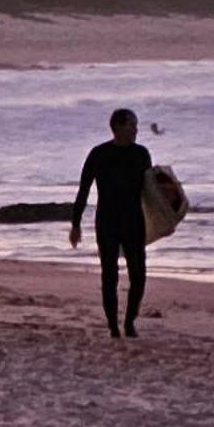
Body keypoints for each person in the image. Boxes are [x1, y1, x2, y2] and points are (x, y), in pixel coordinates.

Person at [71, 107, 153, 339]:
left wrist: (168, 214)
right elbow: (83, 190)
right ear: (118, 127)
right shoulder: (99, 154)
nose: (136, 130)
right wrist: (75, 224)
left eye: (136, 126)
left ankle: (129, 322)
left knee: (138, 274)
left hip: (134, 221)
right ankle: (113, 327)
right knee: (110, 275)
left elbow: (152, 191)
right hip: (107, 221)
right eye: (132, 125)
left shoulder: (141, 154)